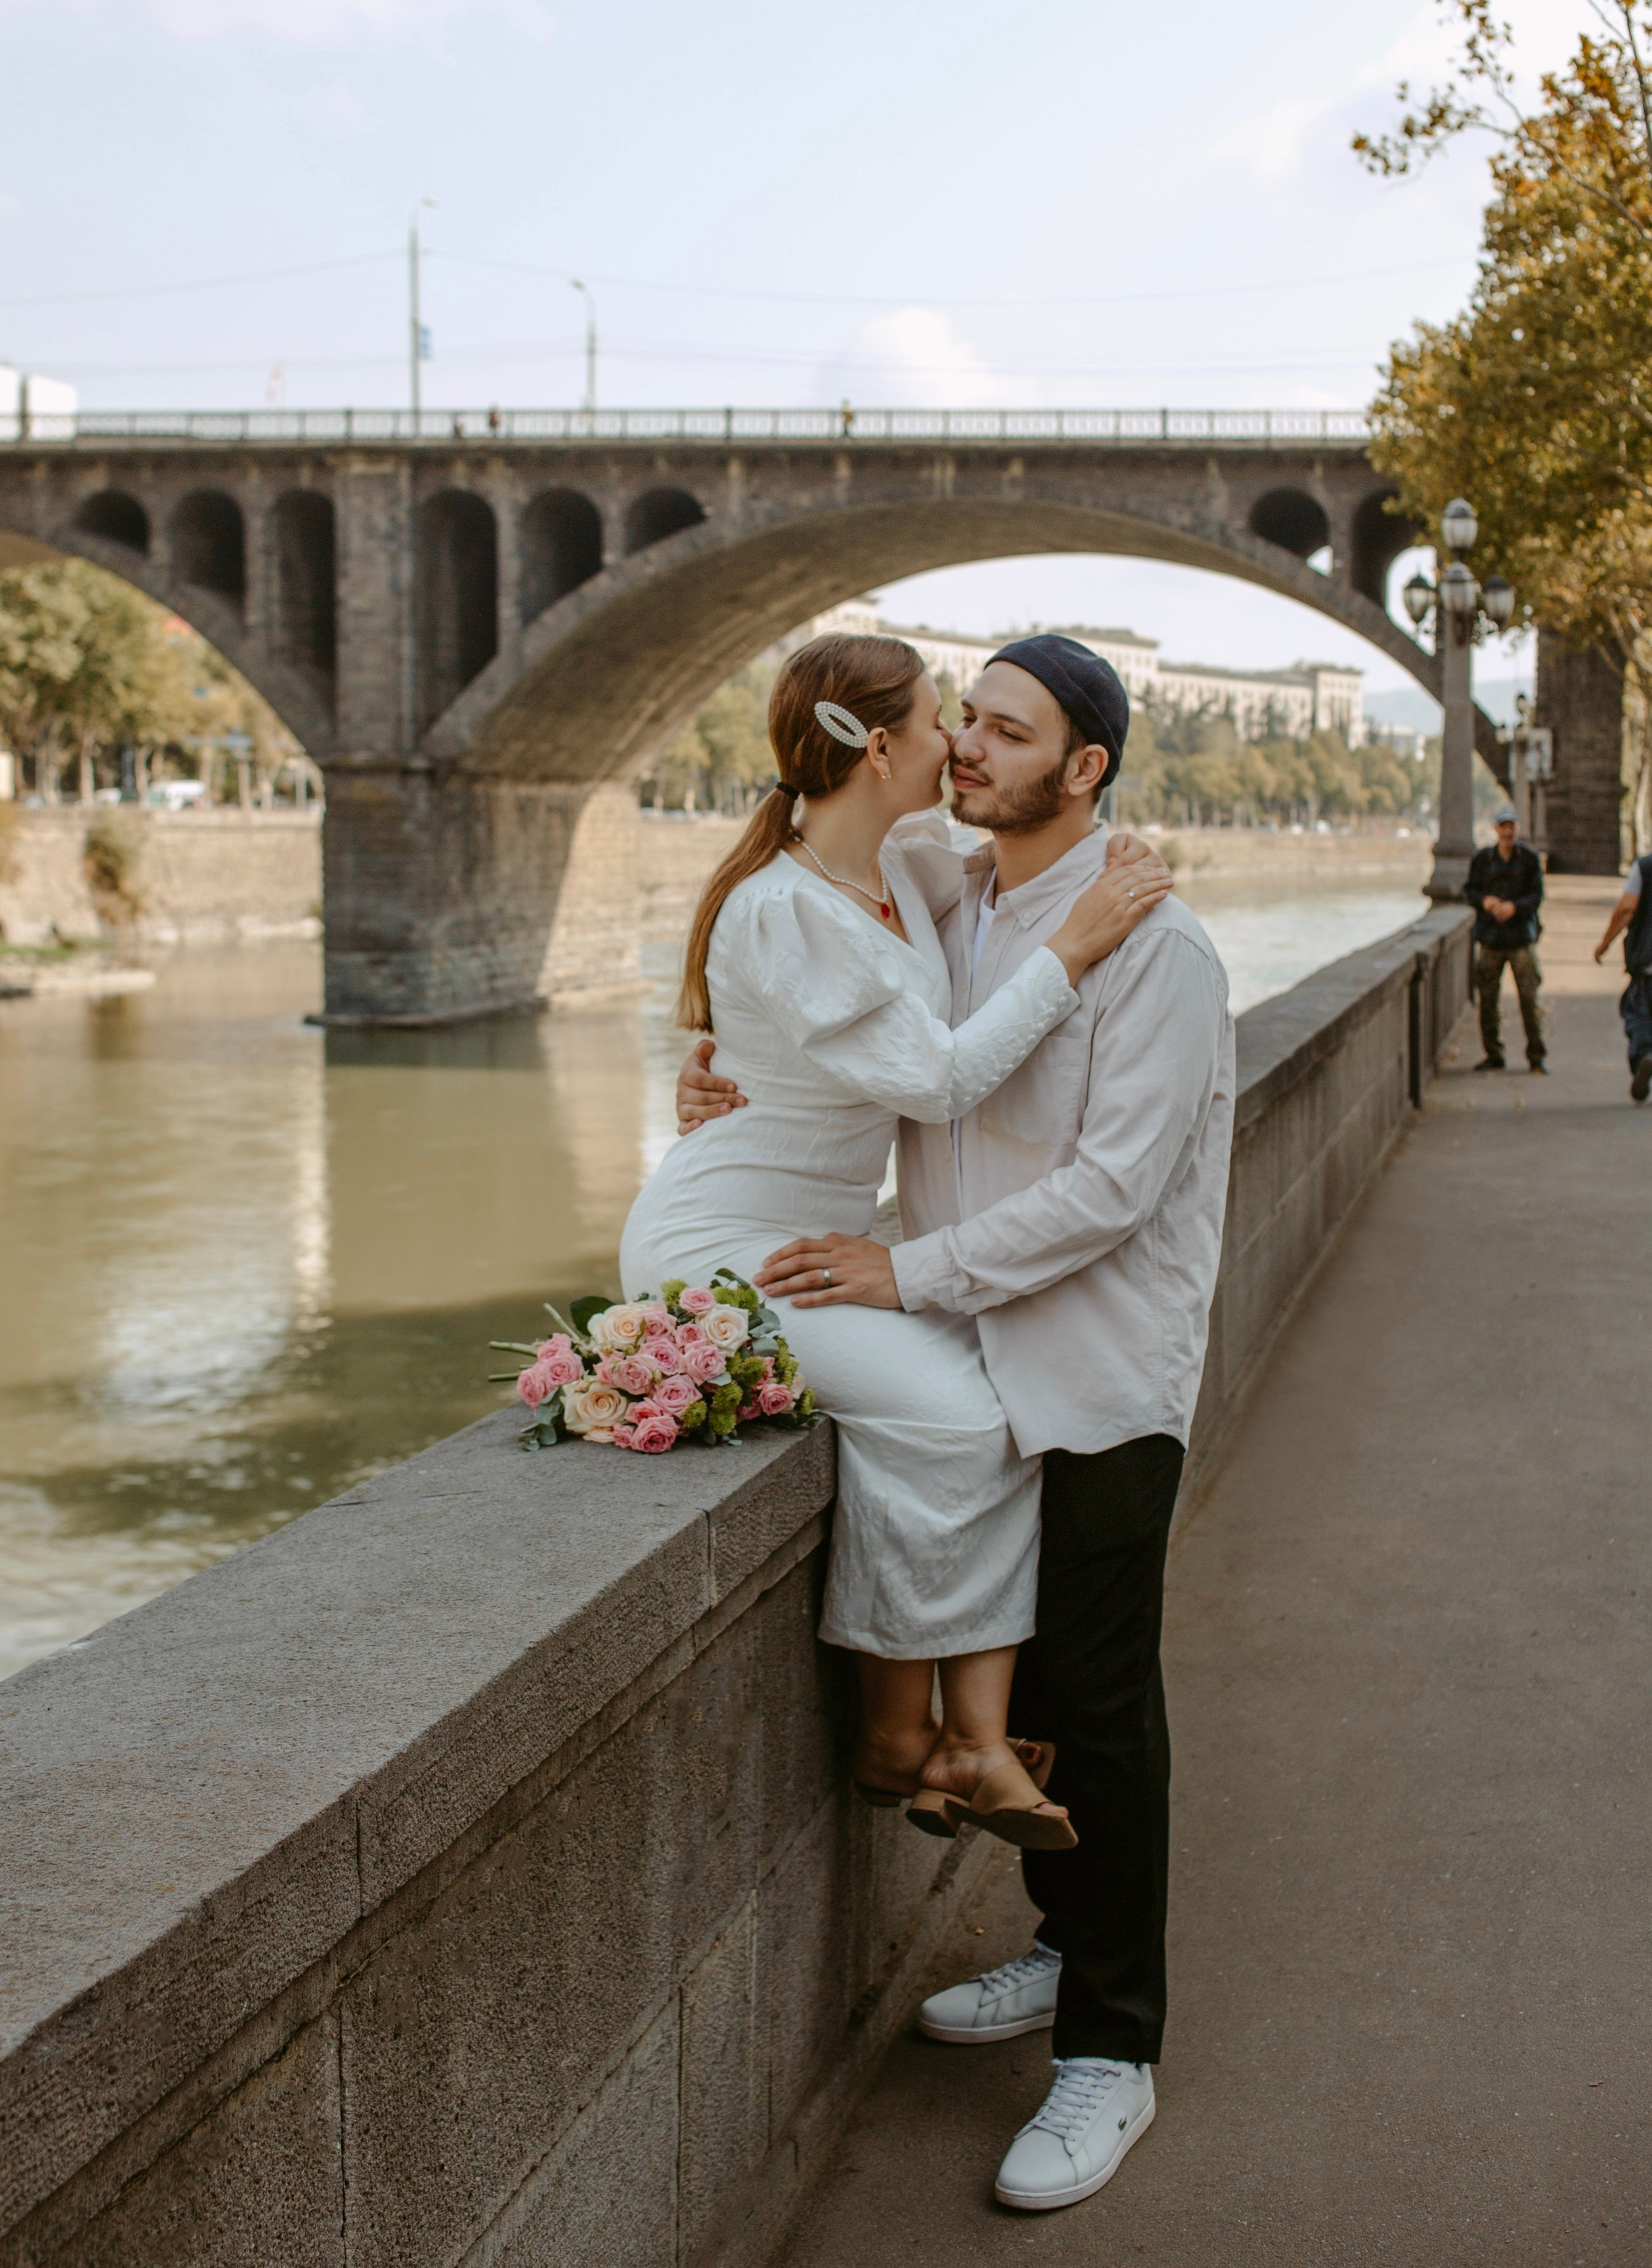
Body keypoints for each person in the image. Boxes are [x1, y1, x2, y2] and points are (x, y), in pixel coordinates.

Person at [679, 634, 1235, 2212]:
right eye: (964, 722)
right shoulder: (952, 890)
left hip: (1096, 1367)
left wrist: (898, 1271)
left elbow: (1111, 1192)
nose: (971, 749)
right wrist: (725, 1073)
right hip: (972, 1348)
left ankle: (1111, 2053)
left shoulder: (1157, 946)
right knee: (1042, 1677)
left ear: (1089, 768)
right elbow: (819, 956)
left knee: (1104, 1704)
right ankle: (1062, 1947)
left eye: (1008, 731)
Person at [622, 632, 1171, 1855]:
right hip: (721, 1249)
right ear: (880, 747)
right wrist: (1072, 948)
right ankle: (926, 1737)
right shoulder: (781, 910)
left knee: (976, 1396)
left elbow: (1033, 848)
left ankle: (929, 1737)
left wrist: (1116, 855)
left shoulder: (909, 861)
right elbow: (939, 1079)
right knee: (968, 1416)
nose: (959, 742)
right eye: (944, 720)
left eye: (978, 722)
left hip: (808, 1228)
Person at [1464, 806, 1547, 1073]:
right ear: (1496, 829)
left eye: (1512, 825)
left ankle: (1536, 1056)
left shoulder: (1530, 859)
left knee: (1529, 999)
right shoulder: (1483, 859)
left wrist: (1515, 907)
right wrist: (1486, 901)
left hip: (1520, 938)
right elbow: (1470, 891)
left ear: (1517, 828)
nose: (1508, 831)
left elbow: (1537, 895)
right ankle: (1494, 1054)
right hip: (1490, 939)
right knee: (1487, 1001)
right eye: (1503, 826)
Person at [1591, 845, 1652, 1102]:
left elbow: (1627, 908)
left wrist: (1605, 943)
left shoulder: (1645, 867)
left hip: (1648, 966)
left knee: (1638, 1014)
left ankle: (1645, 1057)